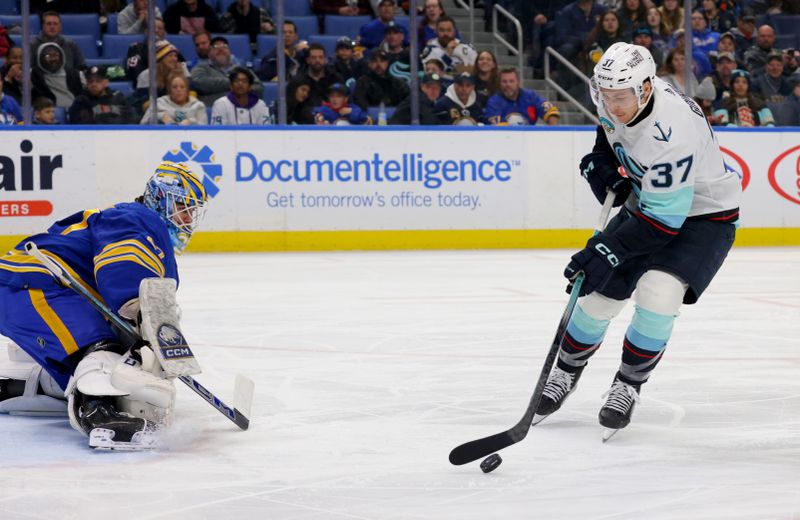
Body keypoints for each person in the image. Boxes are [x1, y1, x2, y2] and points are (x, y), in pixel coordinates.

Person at [533, 42, 740, 437]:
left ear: (646, 89)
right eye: (605, 96)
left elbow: (664, 222)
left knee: (658, 292)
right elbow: (610, 137)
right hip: (651, 204)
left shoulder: (672, 132)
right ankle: (565, 372)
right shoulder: (615, 94)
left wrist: (606, 250)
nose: (612, 105)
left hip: (704, 217)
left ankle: (628, 384)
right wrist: (603, 165)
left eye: (621, 97)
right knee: (597, 295)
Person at [0, 162, 208, 448]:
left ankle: (14, 387)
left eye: (192, 211)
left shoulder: (139, 222)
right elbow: (122, 266)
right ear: (162, 197)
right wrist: (138, 310)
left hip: (27, 286)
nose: (187, 218)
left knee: (103, 358)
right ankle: (99, 416)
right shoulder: (140, 219)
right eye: (183, 207)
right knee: (103, 351)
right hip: (36, 285)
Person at [191, 35, 263, 106]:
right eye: (215, 47)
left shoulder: (242, 69)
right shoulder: (201, 68)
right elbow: (199, 83)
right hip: (212, 110)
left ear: (230, 52)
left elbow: (258, 88)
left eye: (224, 46)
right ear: (209, 54)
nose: (220, 49)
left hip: (241, 110)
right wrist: (236, 83)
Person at [485, 68, 560, 125]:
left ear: (518, 82)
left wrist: (552, 129)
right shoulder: (494, 102)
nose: (508, 85)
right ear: (500, 84)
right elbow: (494, 127)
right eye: (504, 82)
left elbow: (550, 111)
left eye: (511, 81)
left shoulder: (531, 96)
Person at [68, 65, 136, 124]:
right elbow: (79, 123)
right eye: (90, 81)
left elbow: (129, 119)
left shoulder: (117, 97)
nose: (93, 84)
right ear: (86, 83)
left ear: (106, 82)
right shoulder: (81, 100)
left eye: (98, 81)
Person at [140, 71, 207, 125]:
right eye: (174, 87)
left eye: (182, 87)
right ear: (169, 90)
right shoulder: (158, 104)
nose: (178, 90)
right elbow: (143, 124)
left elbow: (206, 130)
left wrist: (192, 122)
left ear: (187, 90)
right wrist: (160, 116)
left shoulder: (198, 105)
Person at [31, 42, 84, 109]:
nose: (53, 59)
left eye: (56, 55)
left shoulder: (76, 75)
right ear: (39, 59)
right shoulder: (34, 77)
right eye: (48, 56)